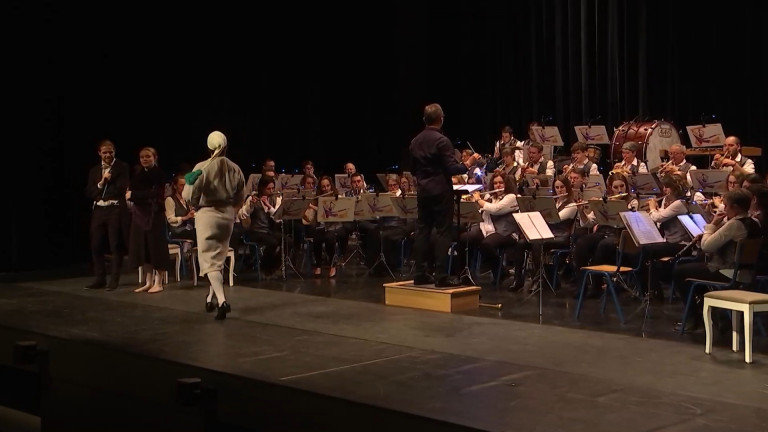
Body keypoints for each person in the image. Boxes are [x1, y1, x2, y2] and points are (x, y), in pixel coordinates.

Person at [409, 103, 480, 287]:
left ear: (425, 120)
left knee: (423, 230)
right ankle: (441, 275)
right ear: (441, 119)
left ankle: (420, 273)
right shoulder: (442, 141)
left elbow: (412, 168)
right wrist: (468, 163)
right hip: (440, 191)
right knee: (442, 231)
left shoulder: (415, 141)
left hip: (423, 191)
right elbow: (451, 169)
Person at [183, 131, 246, 320]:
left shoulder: (202, 167)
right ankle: (210, 298)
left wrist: (190, 186)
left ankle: (222, 300)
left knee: (209, 262)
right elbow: (240, 197)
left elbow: (189, 196)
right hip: (227, 216)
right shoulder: (235, 168)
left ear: (209, 147)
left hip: (207, 215)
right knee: (217, 260)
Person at [85, 139, 130, 290]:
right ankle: (100, 278)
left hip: (115, 209)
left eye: (110, 152)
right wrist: (102, 183)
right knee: (96, 245)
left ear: (114, 152)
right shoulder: (94, 170)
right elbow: (89, 192)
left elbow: (121, 189)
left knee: (115, 245)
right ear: (99, 153)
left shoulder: (122, 167)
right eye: (104, 152)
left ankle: (114, 280)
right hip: (99, 210)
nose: (108, 155)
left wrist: (109, 183)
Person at [127, 147, 172, 294]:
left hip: (154, 215)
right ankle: (148, 281)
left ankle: (158, 282)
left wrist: (134, 194)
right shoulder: (138, 173)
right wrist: (134, 195)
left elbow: (155, 194)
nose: (145, 159)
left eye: (148, 156)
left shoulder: (159, 174)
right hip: (141, 216)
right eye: (142, 157)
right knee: (144, 248)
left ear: (155, 157)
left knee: (156, 248)